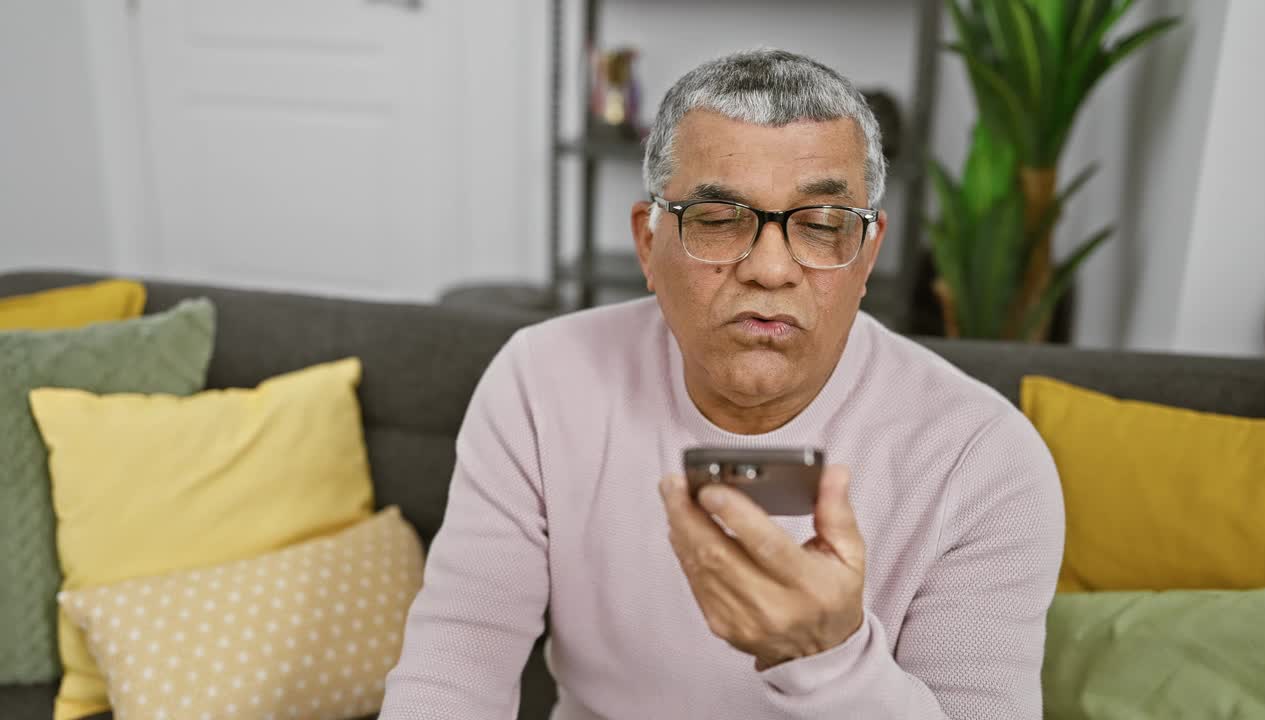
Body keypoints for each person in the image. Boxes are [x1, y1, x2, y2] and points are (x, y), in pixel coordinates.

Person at [380, 49, 1064, 719]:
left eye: (823, 225)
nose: (770, 269)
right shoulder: (540, 381)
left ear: (868, 256)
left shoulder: (987, 461)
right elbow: (457, 660)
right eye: (717, 220)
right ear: (649, 246)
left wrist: (828, 657)